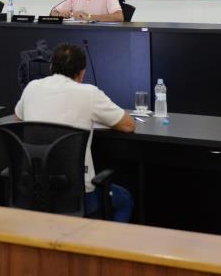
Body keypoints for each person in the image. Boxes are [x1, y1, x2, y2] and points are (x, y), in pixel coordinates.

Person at [14, 43, 135, 222]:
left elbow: (18, 119)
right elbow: (128, 125)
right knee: (124, 200)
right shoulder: (89, 93)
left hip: (35, 191)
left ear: (51, 67)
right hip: (78, 197)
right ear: (82, 73)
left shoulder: (32, 87)